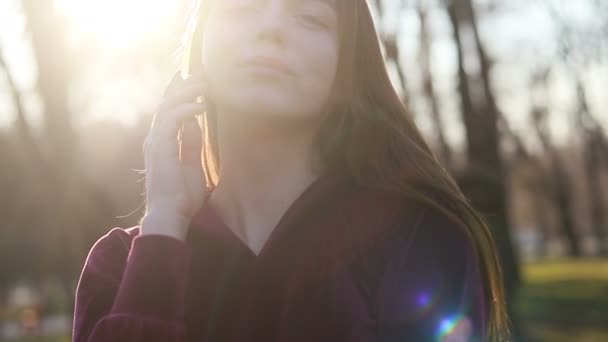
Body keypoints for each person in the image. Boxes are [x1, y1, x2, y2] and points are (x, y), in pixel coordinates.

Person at [72, 0, 510, 341]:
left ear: (347, 64)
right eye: (244, 6)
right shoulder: (117, 268)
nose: (272, 28)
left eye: (309, 18)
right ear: (202, 42)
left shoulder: (419, 237)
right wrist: (164, 224)